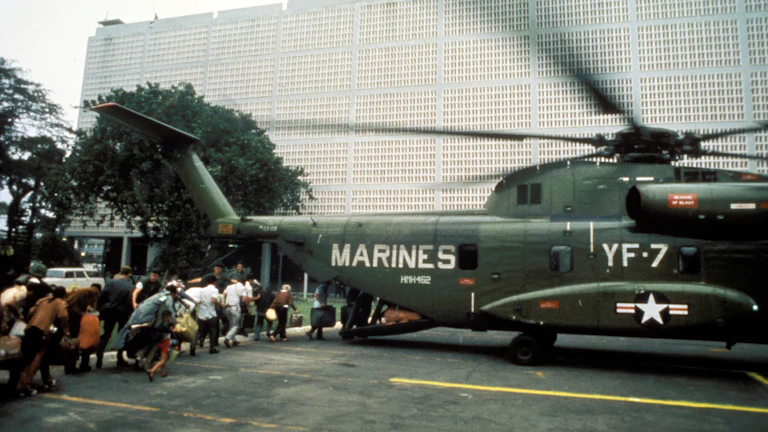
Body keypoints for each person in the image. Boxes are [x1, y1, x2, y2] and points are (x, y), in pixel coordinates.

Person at [16, 287, 70, 397]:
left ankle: (22, 384)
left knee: (27, 357)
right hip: (41, 331)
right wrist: (66, 331)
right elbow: (63, 316)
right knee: (38, 356)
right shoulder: (61, 303)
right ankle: (26, 385)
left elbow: (31, 312)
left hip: (30, 328)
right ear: (63, 295)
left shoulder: (43, 300)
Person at [97, 265, 134, 368]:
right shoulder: (130, 287)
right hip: (122, 313)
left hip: (109, 311)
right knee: (121, 335)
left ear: (120, 272)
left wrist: (102, 309)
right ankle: (120, 358)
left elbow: (103, 296)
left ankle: (99, 357)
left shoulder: (110, 282)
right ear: (129, 274)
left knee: (106, 334)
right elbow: (129, 302)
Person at [64, 286, 100, 373]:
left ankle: (71, 365)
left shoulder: (74, 302)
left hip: (74, 322)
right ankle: (76, 365)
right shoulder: (76, 308)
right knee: (76, 341)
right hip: (75, 323)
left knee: (75, 341)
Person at [185, 275, 220, 355]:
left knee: (199, 331)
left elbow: (198, 301)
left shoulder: (202, 290)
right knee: (212, 331)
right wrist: (219, 302)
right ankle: (212, 347)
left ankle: (193, 347)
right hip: (211, 313)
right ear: (214, 282)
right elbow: (213, 300)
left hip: (202, 313)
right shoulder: (215, 290)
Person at [146, 310, 179, 381]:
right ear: (168, 316)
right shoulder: (166, 324)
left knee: (163, 358)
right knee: (163, 360)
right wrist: (175, 330)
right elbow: (170, 332)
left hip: (159, 342)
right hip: (165, 343)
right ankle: (152, 370)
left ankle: (163, 372)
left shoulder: (160, 323)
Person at [221, 278, 247, 348]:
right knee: (236, 325)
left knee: (231, 324)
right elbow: (244, 298)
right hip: (235, 307)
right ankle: (227, 338)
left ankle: (234, 340)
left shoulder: (229, 287)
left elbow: (223, 295)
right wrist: (249, 307)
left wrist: (223, 303)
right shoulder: (243, 288)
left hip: (227, 307)